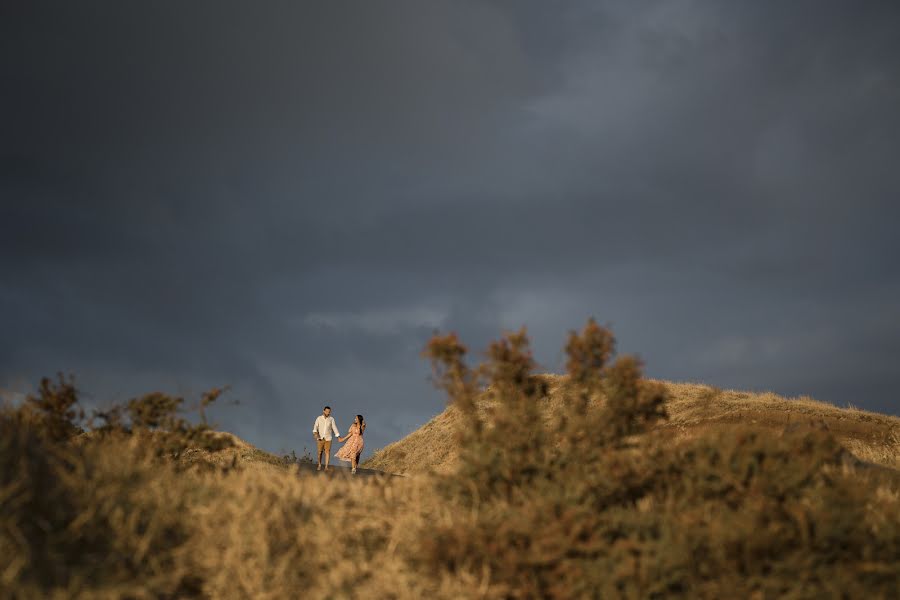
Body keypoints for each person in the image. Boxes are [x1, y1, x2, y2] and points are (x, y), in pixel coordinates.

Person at [312, 406, 340, 472]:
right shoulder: (319, 418)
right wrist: (315, 433)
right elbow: (315, 426)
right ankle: (319, 464)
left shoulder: (331, 419)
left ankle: (326, 466)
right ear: (323, 411)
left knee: (327, 452)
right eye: (326, 411)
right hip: (320, 438)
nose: (328, 413)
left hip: (328, 438)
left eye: (329, 412)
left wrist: (338, 436)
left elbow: (334, 427)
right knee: (319, 452)